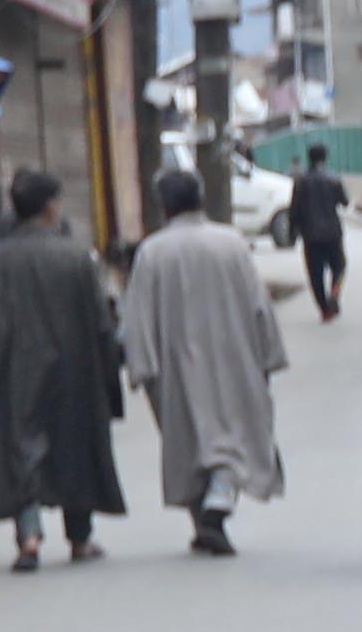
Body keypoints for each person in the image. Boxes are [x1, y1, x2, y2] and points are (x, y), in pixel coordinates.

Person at [0, 169, 131, 572]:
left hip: (13, 369)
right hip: (73, 369)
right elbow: (102, 324)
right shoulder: (76, 257)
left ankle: (29, 536)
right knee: (75, 449)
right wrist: (108, 372)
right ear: (51, 207)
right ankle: (80, 537)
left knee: (22, 448)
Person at [116, 184, 291, 558]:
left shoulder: (154, 251)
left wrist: (141, 366)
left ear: (164, 207)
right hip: (234, 357)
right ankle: (212, 516)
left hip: (176, 364)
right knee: (232, 439)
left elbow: (137, 315)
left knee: (194, 444)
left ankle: (210, 515)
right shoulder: (231, 244)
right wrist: (269, 353)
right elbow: (259, 303)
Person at [281, 141, 351, 324]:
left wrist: (291, 232)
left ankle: (325, 310)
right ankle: (335, 288)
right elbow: (345, 202)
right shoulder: (333, 179)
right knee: (340, 265)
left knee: (315, 274)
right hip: (332, 232)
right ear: (325, 157)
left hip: (310, 235)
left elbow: (294, 209)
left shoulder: (301, 181)